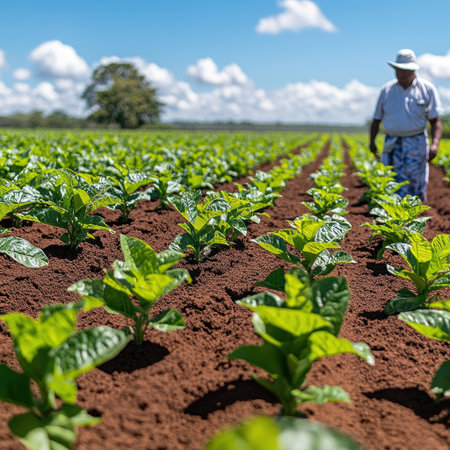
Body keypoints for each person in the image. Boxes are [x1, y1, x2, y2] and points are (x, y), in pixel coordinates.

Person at [369, 49, 443, 202]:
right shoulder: (386, 90)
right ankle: (394, 217)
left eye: (406, 71)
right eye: (399, 70)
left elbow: (435, 121)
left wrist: (435, 145)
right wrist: (372, 142)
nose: (402, 74)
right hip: (392, 142)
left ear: (413, 70)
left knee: (416, 180)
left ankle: (414, 214)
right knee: (391, 180)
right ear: (395, 69)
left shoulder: (427, 89)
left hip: (416, 142)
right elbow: (376, 120)